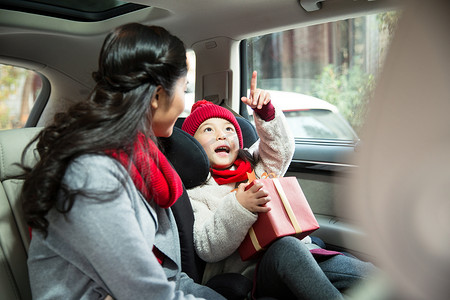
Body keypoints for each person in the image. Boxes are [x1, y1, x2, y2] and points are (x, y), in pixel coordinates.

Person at [20, 23, 225, 300]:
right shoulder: (93, 174)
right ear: (156, 97)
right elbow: (145, 293)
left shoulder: (139, 157)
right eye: (184, 90)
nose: (184, 104)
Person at [181, 71, 375, 299]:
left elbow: (280, 150)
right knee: (288, 248)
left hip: (303, 253)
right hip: (252, 274)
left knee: (369, 274)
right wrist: (239, 205)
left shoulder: (252, 166)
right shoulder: (196, 192)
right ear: (193, 145)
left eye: (229, 129)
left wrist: (266, 113)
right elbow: (207, 246)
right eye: (208, 130)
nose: (222, 136)